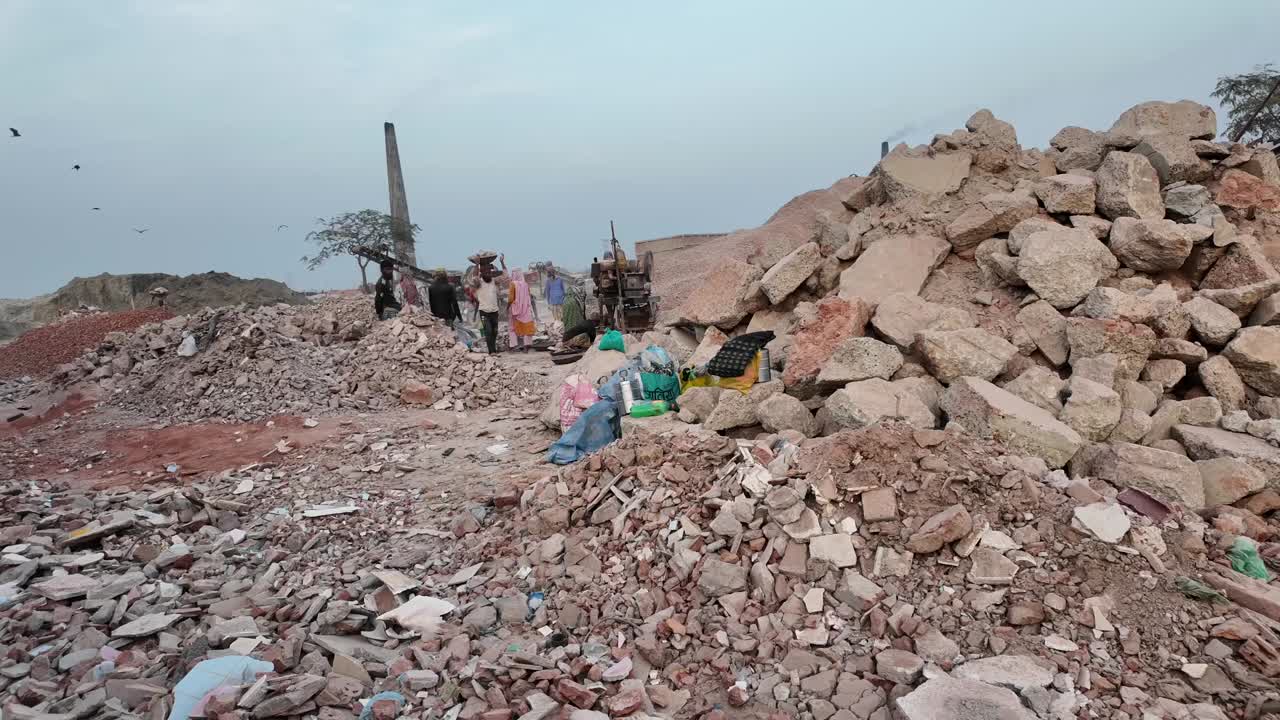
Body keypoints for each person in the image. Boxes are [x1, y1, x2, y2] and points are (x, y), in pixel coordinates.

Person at [507, 263, 539, 352]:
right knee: (527, 326)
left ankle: (513, 345)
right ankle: (526, 346)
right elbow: (528, 296)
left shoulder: (513, 284)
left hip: (515, 310)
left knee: (512, 328)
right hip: (526, 309)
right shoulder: (525, 284)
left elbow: (510, 298)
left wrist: (507, 307)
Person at [473, 262, 501, 353]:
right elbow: (474, 276)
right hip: (484, 312)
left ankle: (493, 349)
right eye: (486, 272)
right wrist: (477, 264)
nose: (488, 274)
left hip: (494, 311)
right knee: (488, 331)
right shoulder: (479, 283)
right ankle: (491, 351)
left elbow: (504, 275)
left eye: (490, 272)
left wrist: (501, 263)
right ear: (482, 274)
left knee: (495, 332)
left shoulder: (494, 282)